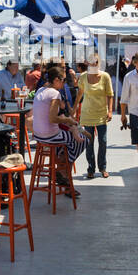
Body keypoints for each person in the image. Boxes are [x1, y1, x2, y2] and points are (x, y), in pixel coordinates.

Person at [30, 66, 85, 195]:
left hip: (38, 135)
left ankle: (61, 166)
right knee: (82, 141)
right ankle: (62, 171)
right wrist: (68, 121)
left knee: (68, 142)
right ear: (56, 80)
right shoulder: (55, 93)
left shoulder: (40, 90)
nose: (64, 83)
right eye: (63, 80)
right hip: (50, 135)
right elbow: (53, 118)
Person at [74, 54, 113, 179]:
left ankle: (103, 167)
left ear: (98, 63)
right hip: (87, 114)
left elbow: (110, 94)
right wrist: (74, 108)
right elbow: (80, 93)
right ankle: (91, 168)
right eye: (91, 62)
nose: (93, 64)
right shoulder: (83, 77)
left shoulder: (105, 76)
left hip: (101, 113)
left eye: (95, 62)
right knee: (89, 142)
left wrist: (110, 110)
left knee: (103, 141)